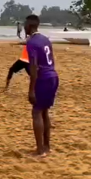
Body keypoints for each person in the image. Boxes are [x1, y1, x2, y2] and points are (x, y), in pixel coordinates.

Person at [25, 14, 59, 158]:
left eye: (26, 25)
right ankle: (47, 146)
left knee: (37, 112)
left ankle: (40, 150)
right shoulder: (45, 39)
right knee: (44, 112)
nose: (24, 27)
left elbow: (34, 68)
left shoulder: (32, 42)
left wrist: (31, 89)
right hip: (53, 76)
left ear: (31, 26)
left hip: (43, 78)